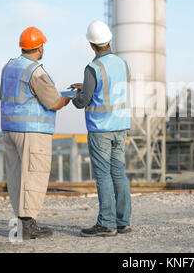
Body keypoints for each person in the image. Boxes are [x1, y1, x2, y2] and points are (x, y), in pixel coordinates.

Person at [0, 26, 71, 240]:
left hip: (10, 129)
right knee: (34, 175)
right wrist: (68, 98)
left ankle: (22, 223)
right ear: (39, 47)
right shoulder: (35, 71)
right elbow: (54, 101)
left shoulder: (8, 67)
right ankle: (27, 226)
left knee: (16, 175)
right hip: (32, 132)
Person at [70, 20, 132, 237]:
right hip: (121, 126)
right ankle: (122, 221)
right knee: (118, 172)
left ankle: (106, 223)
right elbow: (112, 88)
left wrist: (75, 97)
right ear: (109, 40)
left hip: (101, 129)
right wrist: (86, 85)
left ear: (91, 44)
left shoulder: (92, 68)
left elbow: (83, 101)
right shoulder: (124, 64)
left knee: (103, 174)